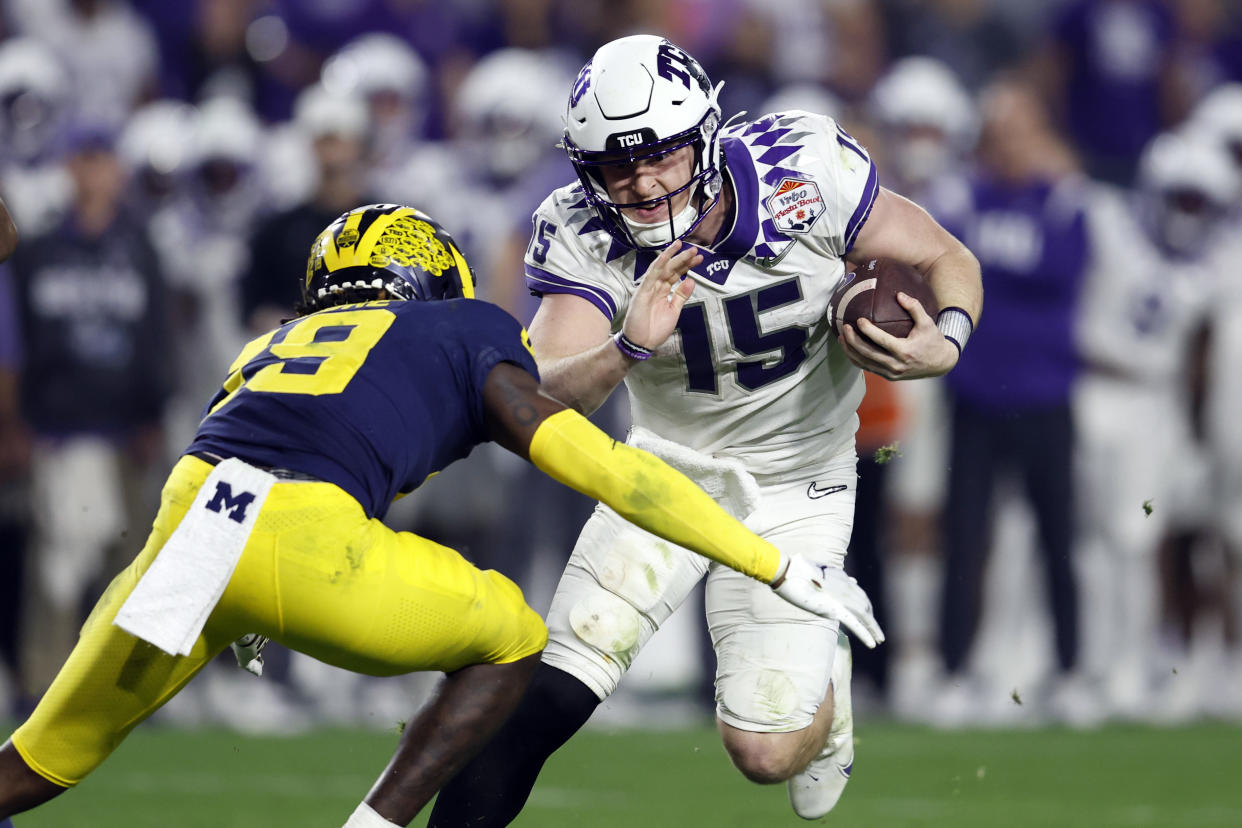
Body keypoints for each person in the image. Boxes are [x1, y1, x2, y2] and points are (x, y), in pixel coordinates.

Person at [0, 203, 880, 827]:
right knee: (513, 637)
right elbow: (596, 461)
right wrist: (768, 561)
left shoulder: (267, 346)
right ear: (434, 279)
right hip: (307, 539)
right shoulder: (458, 328)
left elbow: (261, 453)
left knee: (40, 759)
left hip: (192, 531)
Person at [429, 34, 981, 825]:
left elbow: (943, 253)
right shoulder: (580, 228)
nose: (645, 183)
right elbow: (538, 394)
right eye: (619, 166)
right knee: (541, 699)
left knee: (763, 757)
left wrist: (947, 336)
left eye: (662, 155)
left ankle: (826, 681)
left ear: (706, 136)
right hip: (664, 475)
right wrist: (625, 349)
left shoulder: (805, 170)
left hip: (801, 481)